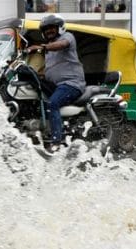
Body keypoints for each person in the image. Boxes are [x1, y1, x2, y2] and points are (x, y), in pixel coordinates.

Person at [27, 14, 85, 152]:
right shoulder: (49, 52)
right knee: (36, 98)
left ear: (60, 28)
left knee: (53, 103)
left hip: (72, 84)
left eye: (51, 28)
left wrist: (41, 47)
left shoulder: (67, 37)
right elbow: (49, 71)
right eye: (46, 29)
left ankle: (56, 142)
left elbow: (61, 45)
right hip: (58, 86)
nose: (48, 31)